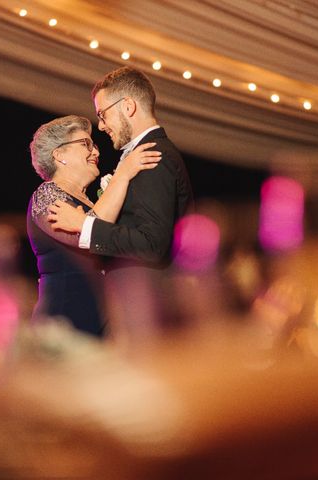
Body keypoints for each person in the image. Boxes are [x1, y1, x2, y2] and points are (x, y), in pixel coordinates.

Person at [48, 67, 194, 340]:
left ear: (127, 107)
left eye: (103, 114)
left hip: (150, 314)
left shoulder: (153, 157)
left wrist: (84, 225)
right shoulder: (143, 156)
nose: (101, 125)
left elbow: (152, 245)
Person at [27, 115, 161, 336]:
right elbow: (88, 235)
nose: (96, 153)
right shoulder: (47, 193)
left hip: (104, 321)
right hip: (64, 327)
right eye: (85, 144)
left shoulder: (92, 202)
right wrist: (123, 175)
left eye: (95, 145)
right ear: (59, 155)